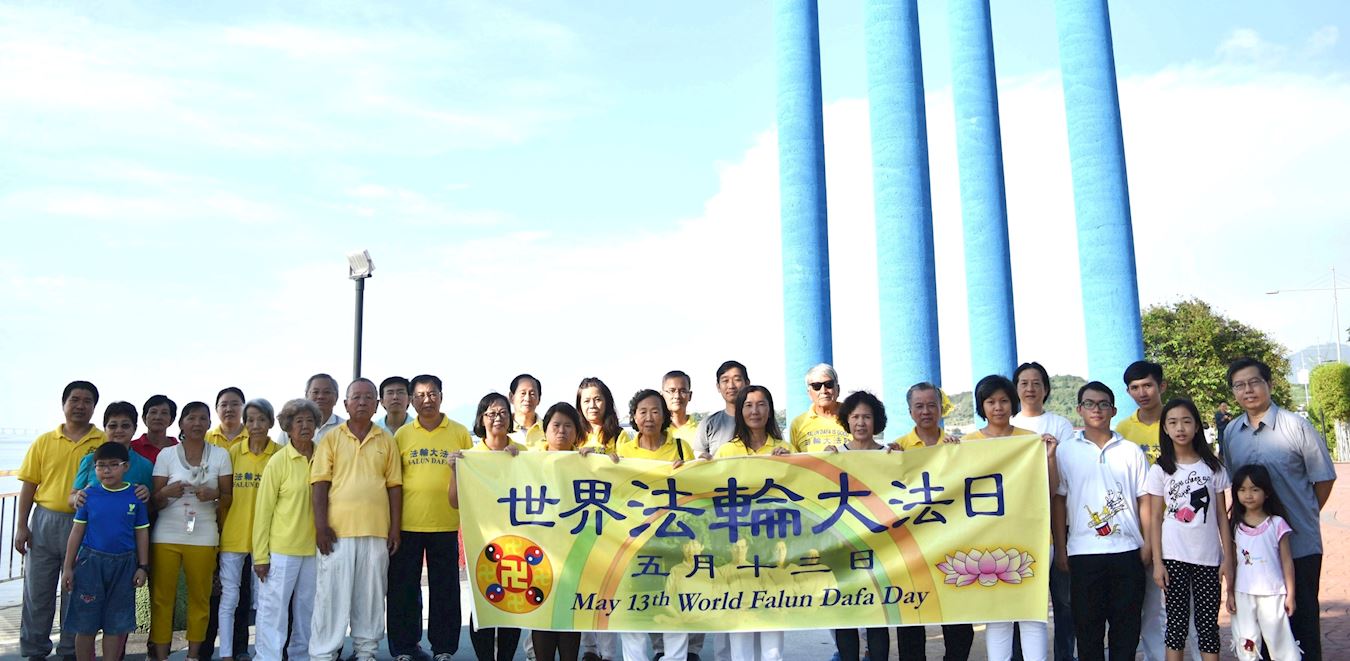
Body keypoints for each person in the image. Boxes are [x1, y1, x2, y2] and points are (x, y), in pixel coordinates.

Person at [1219, 356, 1335, 660]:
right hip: (1255, 551)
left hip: (1298, 542)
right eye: (1239, 385)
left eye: (1254, 382)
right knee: (1260, 627)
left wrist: (1304, 513)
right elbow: (1235, 482)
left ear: (1269, 384)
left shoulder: (1296, 427)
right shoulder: (1231, 433)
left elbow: (1323, 478)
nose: (1248, 390)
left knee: (1301, 621)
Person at [1052, 382, 1149, 661]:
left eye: (1103, 404)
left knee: (1126, 633)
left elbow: (1144, 499)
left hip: (1127, 551)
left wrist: (1147, 545)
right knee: (1088, 633)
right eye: (1090, 404)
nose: (1097, 409)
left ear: (1113, 410)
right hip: (1083, 554)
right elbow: (1059, 501)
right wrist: (1061, 548)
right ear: (1079, 409)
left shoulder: (1131, 451)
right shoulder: (1065, 451)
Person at [309, 378, 403, 661]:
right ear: (346, 403)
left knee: (371, 596)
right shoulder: (331, 438)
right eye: (356, 397)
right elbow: (319, 484)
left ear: (377, 404)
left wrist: (395, 529)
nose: (362, 402)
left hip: (376, 531)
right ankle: (323, 654)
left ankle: (366, 652)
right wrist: (321, 527)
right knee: (331, 596)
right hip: (337, 533)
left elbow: (394, 487)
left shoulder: (386, 440)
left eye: (368, 397)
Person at [16, 380, 107, 661]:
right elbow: (29, 484)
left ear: (94, 407)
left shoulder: (103, 442)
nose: (80, 406)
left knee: (76, 591)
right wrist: (21, 526)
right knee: (37, 591)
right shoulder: (45, 441)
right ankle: (34, 651)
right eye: (74, 400)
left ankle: (70, 651)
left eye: (87, 401)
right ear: (64, 404)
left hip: (85, 524)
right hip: (45, 522)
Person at [963, 375, 1050, 661]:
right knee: (998, 616)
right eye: (991, 402)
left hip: (1030, 539)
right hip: (988, 542)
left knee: (1032, 613)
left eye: (1003, 400)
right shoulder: (967, 443)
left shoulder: (1030, 440)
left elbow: (1049, 489)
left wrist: (1049, 456)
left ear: (1013, 403)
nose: (998, 407)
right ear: (982, 406)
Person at [388, 375, 474, 661]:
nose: (427, 400)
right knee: (403, 590)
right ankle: (404, 648)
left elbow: (475, 474)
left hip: (446, 524)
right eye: (421, 395)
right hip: (407, 525)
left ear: (441, 396)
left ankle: (444, 648)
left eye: (432, 393)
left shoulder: (459, 433)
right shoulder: (402, 435)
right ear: (412, 400)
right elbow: (393, 481)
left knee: (445, 590)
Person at [1145, 398, 1230, 661]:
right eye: (1172, 422)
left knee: (1207, 625)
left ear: (1196, 426)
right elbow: (1155, 517)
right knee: (1176, 625)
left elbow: (1221, 516)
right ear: (1165, 429)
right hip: (1173, 557)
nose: (1180, 428)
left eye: (1186, 421)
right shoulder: (1161, 469)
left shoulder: (1213, 467)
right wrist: (1158, 563)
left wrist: (1228, 558)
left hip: (1208, 557)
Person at [614, 390, 695, 661]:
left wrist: (696, 467)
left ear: (664, 416)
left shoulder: (681, 448)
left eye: (655, 411)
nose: (649, 417)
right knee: (632, 607)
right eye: (643, 411)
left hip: (673, 539)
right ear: (634, 417)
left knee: (673, 605)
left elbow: (698, 486)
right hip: (634, 542)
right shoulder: (623, 451)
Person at [150, 401, 233, 661]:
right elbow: (155, 500)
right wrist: (167, 491)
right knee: (162, 599)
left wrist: (214, 494)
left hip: (204, 534)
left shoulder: (220, 455)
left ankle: (193, 656)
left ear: (209, 423)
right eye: (191, 418)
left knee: (200, 597)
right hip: (166, 534)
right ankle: (161, 656)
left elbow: (228, 498)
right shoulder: (166, 455)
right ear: (181, 424)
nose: (197, 423)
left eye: (202, 418)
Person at [1010, 362, 1077, 661]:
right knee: (1020, 603)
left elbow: (1064, 477)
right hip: (1018, 530)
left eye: (1036, 383)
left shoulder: (1060, 425)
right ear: (1016, 388)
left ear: (1046, 389)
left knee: (1064, 601)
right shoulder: (1008, 425)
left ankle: (1065, 655)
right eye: (1024, 383)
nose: (1030, 389)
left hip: (1055, 523)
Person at [60, 442, 150, 661]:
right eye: (101, 466)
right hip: (90, 564)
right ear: (95, 468)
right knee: (85, 624)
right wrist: (68, 567)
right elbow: (76, 532)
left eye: (113, 465)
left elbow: (141, 533)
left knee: (115, 625)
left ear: (125, 467)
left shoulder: (135, 496)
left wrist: (142, 566)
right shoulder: (88, 495)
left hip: (124, 565)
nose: (107, 470)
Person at [1115, 360, 1180, 661]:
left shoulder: (1177, 421)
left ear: (1161, 386)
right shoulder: (1123, 430)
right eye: (1135, 387)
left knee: (1186, 606)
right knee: (1150, 609)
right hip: (1141, 530)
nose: (1142, 393)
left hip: (1180, 527)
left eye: (1148, 385)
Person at [252, 399, 323, 661]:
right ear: (288, 427)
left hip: (315, 550)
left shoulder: (325, 457)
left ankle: (301, 656)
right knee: (273, 611)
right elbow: (263, 512)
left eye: (309, 421)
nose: (305, 426)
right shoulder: (278, 461)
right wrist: (260, 556)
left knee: (308, 611)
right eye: (298, 421)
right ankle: (267, 657)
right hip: (282, 551)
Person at [823, 391, 890, 661]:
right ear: (847, 420)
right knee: (847, 611)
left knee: (879, 613)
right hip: (843, 544)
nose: (861, 423)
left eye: (867, 417)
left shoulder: (889, 455)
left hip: (880, 545)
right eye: (855, 417)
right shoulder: (834, 455)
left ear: (876, 421)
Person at [456, 393, 523, 661]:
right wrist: (454, 470)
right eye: (491, 413)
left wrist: (520, 461)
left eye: (503, 412)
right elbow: (454, 501)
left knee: (513, 602)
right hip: (481, 540)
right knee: (482, 603)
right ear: (481, 419)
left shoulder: (523, 453)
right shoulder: (470, 457)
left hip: (518, 542)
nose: (498, 418)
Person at [213, 399, 280, 661]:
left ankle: (263, 652)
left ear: (271, 422)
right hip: (234, 535)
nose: (256, 425)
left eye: (261, 419)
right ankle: (226, 653)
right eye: (250, 420)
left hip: (268, 539)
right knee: (229, 598)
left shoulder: (279, 453)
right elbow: (224, 495)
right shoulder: (233, 453)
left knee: (264, 600)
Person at [528, 402, 587, 661]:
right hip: (539, 550)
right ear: (545, 430)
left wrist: (600, 461)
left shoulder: (587, 461)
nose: (562, 431)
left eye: (568, 426)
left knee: (569, 612)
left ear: (577, 431)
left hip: (574, 551)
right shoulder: (528, 460)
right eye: (556, 425)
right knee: (542, 611)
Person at [1227, 464, 1299, 661]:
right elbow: (1232, 562)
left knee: (1280, 642)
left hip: (1273, 593)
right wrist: (1230, 593)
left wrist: (1290, 595)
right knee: (1247, 643)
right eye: (1242, 490)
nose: (1248, 495)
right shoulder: (1235, 526)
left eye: (1254, 489)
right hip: (1243, 593)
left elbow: (1287, 562)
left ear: (1266, 492)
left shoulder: (1277, 524)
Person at [70, 401, 154, 502]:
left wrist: (147, 494)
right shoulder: (89, 460)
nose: (119, 430)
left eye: (125, 426)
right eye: (113, 426)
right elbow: (71, 497)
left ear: (134, 429)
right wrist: (77, 497)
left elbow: (152, 503)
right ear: (105, 429)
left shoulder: (145, 465)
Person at [714, 386, 792, 458]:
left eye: (761, 404)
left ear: (770, 411)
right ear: (740, 413)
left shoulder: (786, 449)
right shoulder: (725, 452)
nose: (755, 411)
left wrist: (788, 461)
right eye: (748, 405)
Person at [788, 363, 850, 452]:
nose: (823, 391)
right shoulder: (798, 424)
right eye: (816, 386)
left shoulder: (853, 418)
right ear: (809, 393)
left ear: (838, 389)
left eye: (829, 384)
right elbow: (794, 459)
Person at [693, 360, 749, 457]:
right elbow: (698, 456)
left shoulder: (758, 419)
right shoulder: (708, 424)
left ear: (747, 383)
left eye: (737, 379)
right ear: (718, 387)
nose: (731, 386)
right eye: (725, 381)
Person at [277, 374, 347, 445]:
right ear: (306, 395)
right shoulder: (291, 426)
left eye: (327, 392)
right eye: (315, 392)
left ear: (336, 397)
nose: (320, 396)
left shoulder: (345, 428)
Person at [890, 382, 959, 450]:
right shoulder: (899, 447)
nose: (926, 412)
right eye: (919, 406)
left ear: (941, 409)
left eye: (931, 405)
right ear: (910, 412)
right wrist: (898, 455)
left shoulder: (954, 445)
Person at [577, 377, 631, 454]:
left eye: (597, 400)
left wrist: (599, 452)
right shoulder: (574, 435)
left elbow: (625, 460)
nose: (592, 405)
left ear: (607, 403)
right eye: (587, 401)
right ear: (580, 405)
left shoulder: (619, 435)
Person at [132, 394, 179, 464]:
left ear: (172, 420)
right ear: (144, 418)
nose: (158, 417)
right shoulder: (131, 448)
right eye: (153, 412)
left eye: (164, 413)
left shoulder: (180, 450)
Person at [661, 370, 699, 447]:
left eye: (683, 391)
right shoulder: (656, 430)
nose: (677, 396)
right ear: (661, 395)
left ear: (690, 395)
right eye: (672, 391)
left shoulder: (700, 430)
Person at [509, 374, 546, 449]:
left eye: (532, 394)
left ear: (539, 399)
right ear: (511, 397)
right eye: (523, 393)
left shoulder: (548, 430)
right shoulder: (502, 429)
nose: (527, 398)